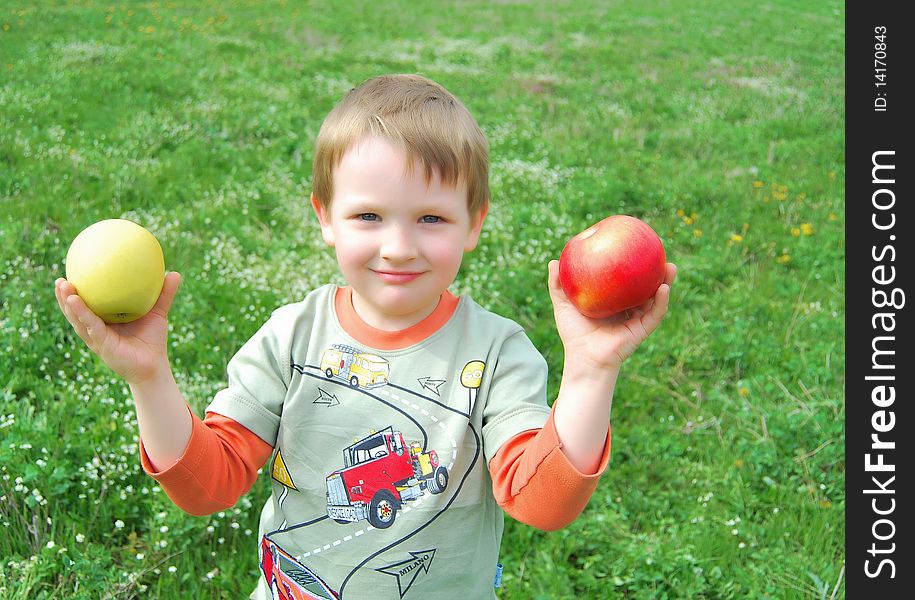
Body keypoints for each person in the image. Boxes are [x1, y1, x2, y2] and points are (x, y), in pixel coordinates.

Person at [54, 73, 676, 600]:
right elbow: (205, 485)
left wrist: (592, 372)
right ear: (325, 217)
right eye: (368, 216)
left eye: (431, 218)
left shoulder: (497, 352)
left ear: (474, 224)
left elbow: (543, 504)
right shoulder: (291, 337)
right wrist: (148, 377)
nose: (398, 247)